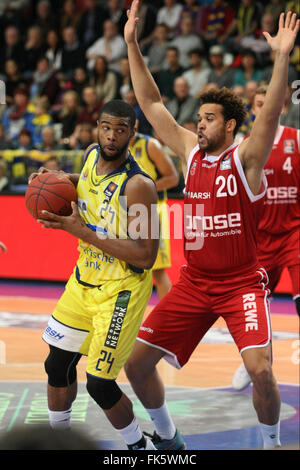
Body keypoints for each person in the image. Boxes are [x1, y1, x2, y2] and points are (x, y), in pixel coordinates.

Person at [124, 1, 299, 450]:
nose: (198, 125)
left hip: (241, 283)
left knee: (261, 369)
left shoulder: (245, 159)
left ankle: (271, 442)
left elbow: (273, 115)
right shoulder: (190, 151)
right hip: (195, 283)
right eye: (198, 118)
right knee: (136, 365)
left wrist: (281, 58)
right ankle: (167, 436)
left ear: (231, 124)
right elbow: (150, 102)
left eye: (208, 119)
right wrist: (131, 45)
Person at [29, 99, 159, 451]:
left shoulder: (138, 187)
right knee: (56, 366)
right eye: (106, 127)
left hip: (120, 290)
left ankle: (139, 448)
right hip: (83, 281)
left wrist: (84, 232)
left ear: (132, 133)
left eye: (120, 129)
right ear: (96, 126)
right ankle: (60, 443)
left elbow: (146, 256)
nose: (112, 136)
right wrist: (51, 181)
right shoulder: (89, 156)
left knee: (100, 385)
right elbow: (85, 182)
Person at [232, 85, 300, 391]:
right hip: (260, 239)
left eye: (270, 103)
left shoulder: (296, 139)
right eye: (260, 104)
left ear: (281, 107)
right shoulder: (243, 147)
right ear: (254, 109)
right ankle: (258, 361)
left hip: (295, 232)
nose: (266, 108)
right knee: (256, 305)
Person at [129, 123, 179, 298]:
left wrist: (145, 189)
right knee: (128, 270)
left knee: (157, 269)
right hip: (125, 213)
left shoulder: (150, 145)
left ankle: (172, 317)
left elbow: (173, 178)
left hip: (152, 210)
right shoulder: (113, 149)